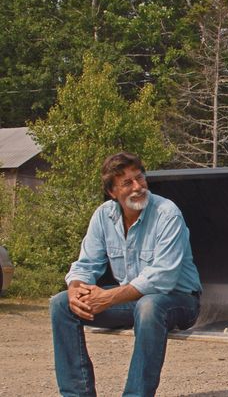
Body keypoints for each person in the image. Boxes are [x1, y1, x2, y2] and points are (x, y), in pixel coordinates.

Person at [50, 152, 202, 397]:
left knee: (150, 305)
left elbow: (163, 277)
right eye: (127, 183)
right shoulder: (103, 215)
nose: (137, 187)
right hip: (132, 302)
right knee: (61, 304)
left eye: (139, 178)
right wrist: (76, 289)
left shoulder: (167, 213)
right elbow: (86, 264)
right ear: (112, 192)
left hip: (179, 301)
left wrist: (108, 298)